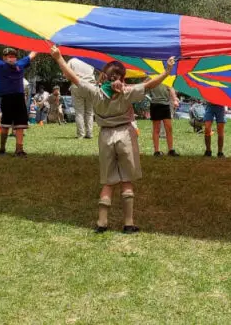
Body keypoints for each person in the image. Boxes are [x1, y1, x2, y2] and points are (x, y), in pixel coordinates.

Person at [51, 45, 173, 234]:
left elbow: (72, 77)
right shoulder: (128, 91)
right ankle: (128, 223)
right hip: (125, 134)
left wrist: (58, 57)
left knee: (108, 181)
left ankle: (102, 222)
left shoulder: (95, 92)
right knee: (127, 179)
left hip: (105, 136)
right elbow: (150, 85)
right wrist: (167, 71)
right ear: (123, 78)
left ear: (103, 76)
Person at [0, 39, 37, 157]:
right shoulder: (0, 65)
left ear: (16, 58)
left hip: (19, 98)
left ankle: (19, 150)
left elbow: (32, 54)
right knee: (5, 125)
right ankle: (2, 149)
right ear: (4, 57)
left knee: (20, 125)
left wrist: (44, 43)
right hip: (6, 99)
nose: (11, 58)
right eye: (8, 56)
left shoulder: (21, 64)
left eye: (13, 56)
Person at [68, 58, 97, 139]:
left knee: (79, 112)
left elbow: (66, 74)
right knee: (90, 112)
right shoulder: (89, 60)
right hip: (90, 85)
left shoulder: (72, 61)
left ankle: (81, 134)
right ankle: (89, 134)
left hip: (77, 85)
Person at [149, 82, 180, 157]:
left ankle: (171, 150)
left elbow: (171, 88)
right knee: (156, 129)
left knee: (169, 128)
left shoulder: (167, 76)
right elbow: (144, 85)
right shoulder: (151, 76)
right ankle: (156, 151)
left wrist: (175, 99)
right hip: (155, 104)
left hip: (165, 105)